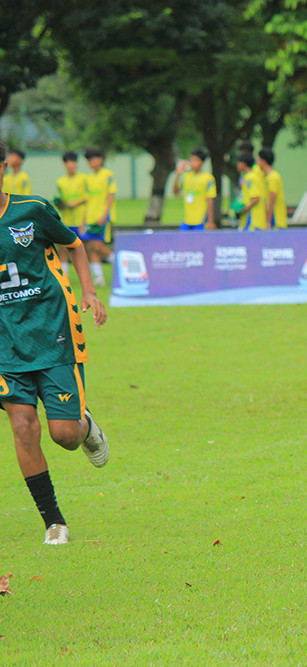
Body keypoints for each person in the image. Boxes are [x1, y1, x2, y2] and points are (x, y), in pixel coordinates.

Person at [0, 141, 110, 546]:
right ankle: (54, 522)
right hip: (5, 344)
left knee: (63, 434)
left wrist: (89, 292)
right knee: (23, 426)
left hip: (53, 330)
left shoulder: (32, 210)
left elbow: (74, 244)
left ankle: (85, 426)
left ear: (4, 167)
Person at [82, 148, 116, 286]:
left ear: (100, 159)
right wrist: (83, 220)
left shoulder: (108, 175)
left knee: (98, 246)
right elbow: (87, 200)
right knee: (91, 247)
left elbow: (111, 195)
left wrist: (105, 214)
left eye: (94, 159)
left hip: (102, 217)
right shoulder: (88, 178)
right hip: (90, 217)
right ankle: (99, 277)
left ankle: (118, 262)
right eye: (89, 160)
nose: (92, 162)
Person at [54, 151, 89, 273]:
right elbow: (60, 203)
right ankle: (65, 275)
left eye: (74, 163)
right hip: (66, 220)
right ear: (65, 164)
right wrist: (60, 203)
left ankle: (90, 275)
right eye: (70, 163)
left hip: (81, 219)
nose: (72, 166)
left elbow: (88, 197)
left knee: (83, 248)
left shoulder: (84, 179)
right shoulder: (61, 181)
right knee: (63, 248)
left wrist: (76, 203)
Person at [173, 148, 217, 231]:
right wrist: (177, 175)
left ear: (202, 162)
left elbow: (210, 200)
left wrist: (211, 221)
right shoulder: (186, 176)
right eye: (191, 160)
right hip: (187, 219)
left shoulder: (208, 178)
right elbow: (175, 192)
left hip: (201, 220)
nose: (192, 163)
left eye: (195, 160)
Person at [232, 152, 267, 230]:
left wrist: (242, 210)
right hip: (248, 222)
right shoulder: (247, 177)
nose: (237, 165)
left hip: (253, 221)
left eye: (238, 162)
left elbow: (255, 198)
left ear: (243, 163)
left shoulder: (250, 178)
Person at [258, 147, 287, 229]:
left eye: (259, 160)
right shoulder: (267, 177)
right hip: (274, 221)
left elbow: (271, 200)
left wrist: (268, 222)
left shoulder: (273, 178)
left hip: (276, 221)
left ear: (263, 161)